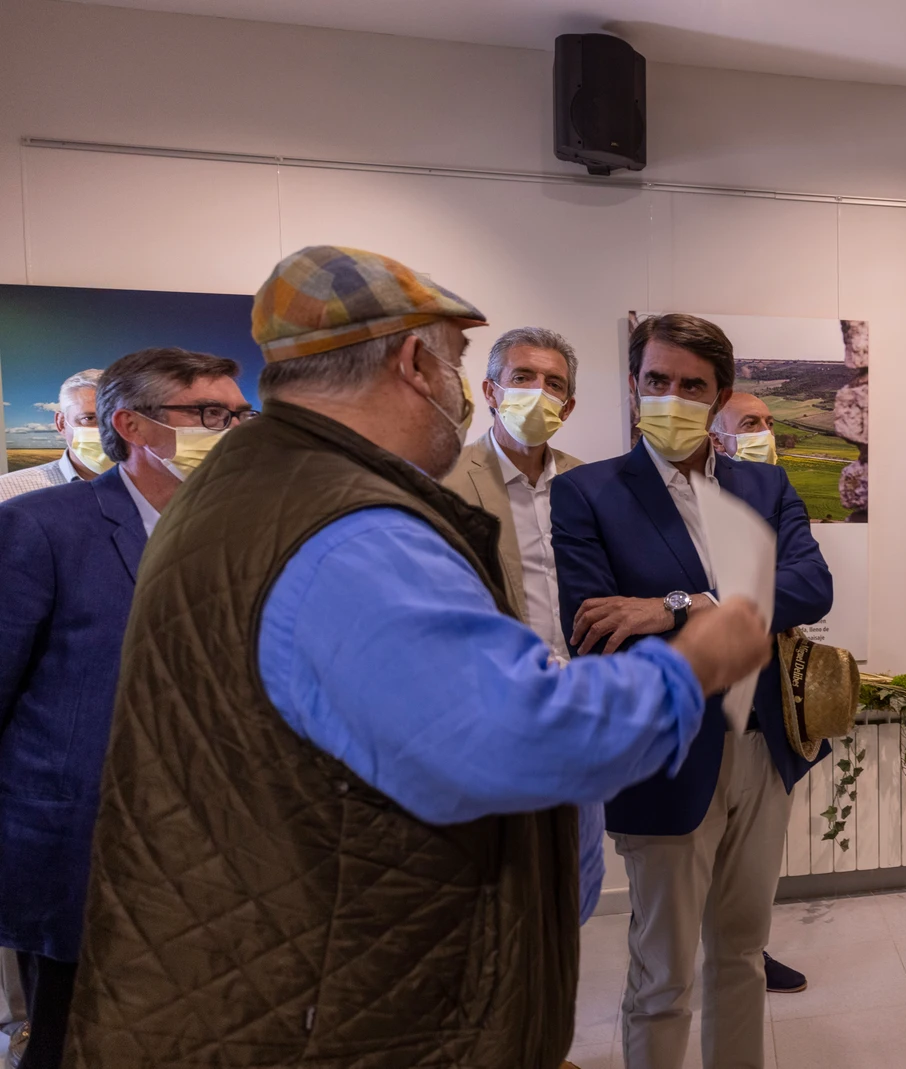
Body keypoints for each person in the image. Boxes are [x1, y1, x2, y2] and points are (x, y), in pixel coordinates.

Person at [67, 246, 771, 1069]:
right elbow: (514, 736)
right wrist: (690, 664)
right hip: (337, 1007)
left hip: (274, 965)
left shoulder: (246, 490)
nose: (464, 392)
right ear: (413, 360)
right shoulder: (351, 532)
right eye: (461, 361)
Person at [551, 313, 833, 1069]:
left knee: (741, 953)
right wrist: (730, 599)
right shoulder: (587, 493)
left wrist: (677, 606)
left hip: (763, 746)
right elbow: (595, 624)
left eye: (691, 385)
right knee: (663, 974)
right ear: (636, 384)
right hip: (665, 753)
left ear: (721, 395)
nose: (670, 397)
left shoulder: (765, 484)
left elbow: (811, 586)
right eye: (656, 381)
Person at [0, 348, 250, 1069]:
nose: (229, 429)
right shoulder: (41, 527)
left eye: (237, 414)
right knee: (70, 1039)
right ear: (131, 425)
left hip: (213, 844)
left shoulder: (239, 530)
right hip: (80, 845)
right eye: (207, 414)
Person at [442, 325, 608, 927]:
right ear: (491, 389)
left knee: (581, 870)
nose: (539, 393)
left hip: (581, 708)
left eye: (554, 384)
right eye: (523, 378)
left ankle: (556, 985)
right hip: (495, 714)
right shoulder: (446, 484)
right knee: (496, 880)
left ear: (569, 404)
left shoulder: (595, 485)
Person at [0, 370, 109, 503]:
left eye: (119, 420)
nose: (109, 431)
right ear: (61, 423)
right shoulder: (7, 493)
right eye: (89, 418)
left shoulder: (141, 487)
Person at [710, 391, 778, 464]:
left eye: (770, 424)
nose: (767, 432)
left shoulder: (777, 474)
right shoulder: (700, 475)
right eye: (751, 423)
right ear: (717, 441)